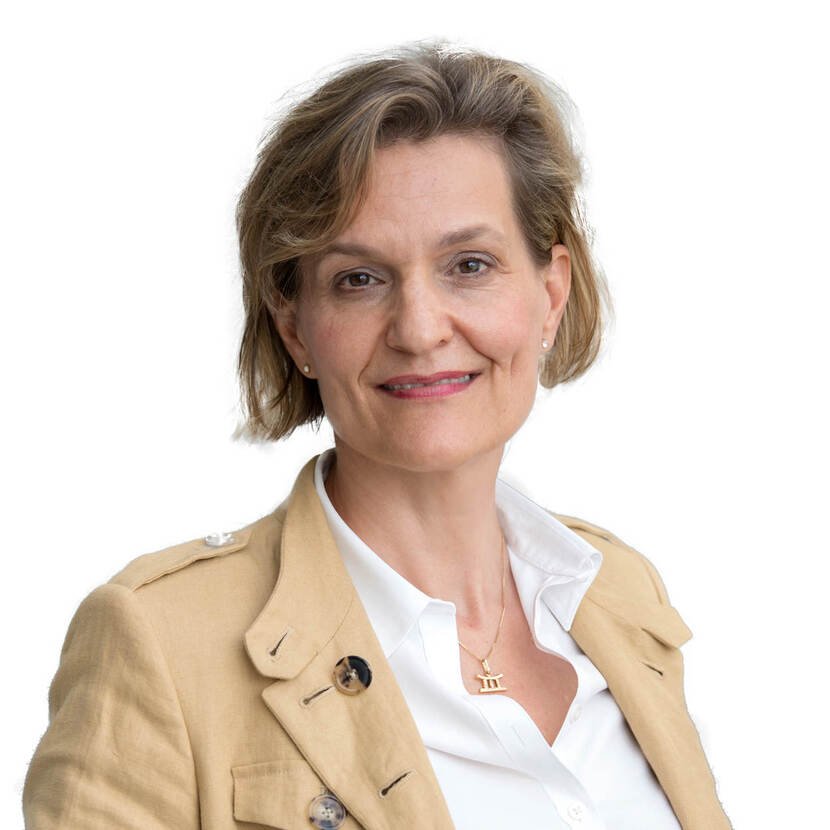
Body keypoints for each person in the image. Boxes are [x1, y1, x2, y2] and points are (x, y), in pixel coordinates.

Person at [23, 42, 731, 830]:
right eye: (358, 279)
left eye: (469, 264)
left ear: (551, 293)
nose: (420, 329)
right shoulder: (160, 641)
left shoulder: (618, 593)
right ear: (295, 326)